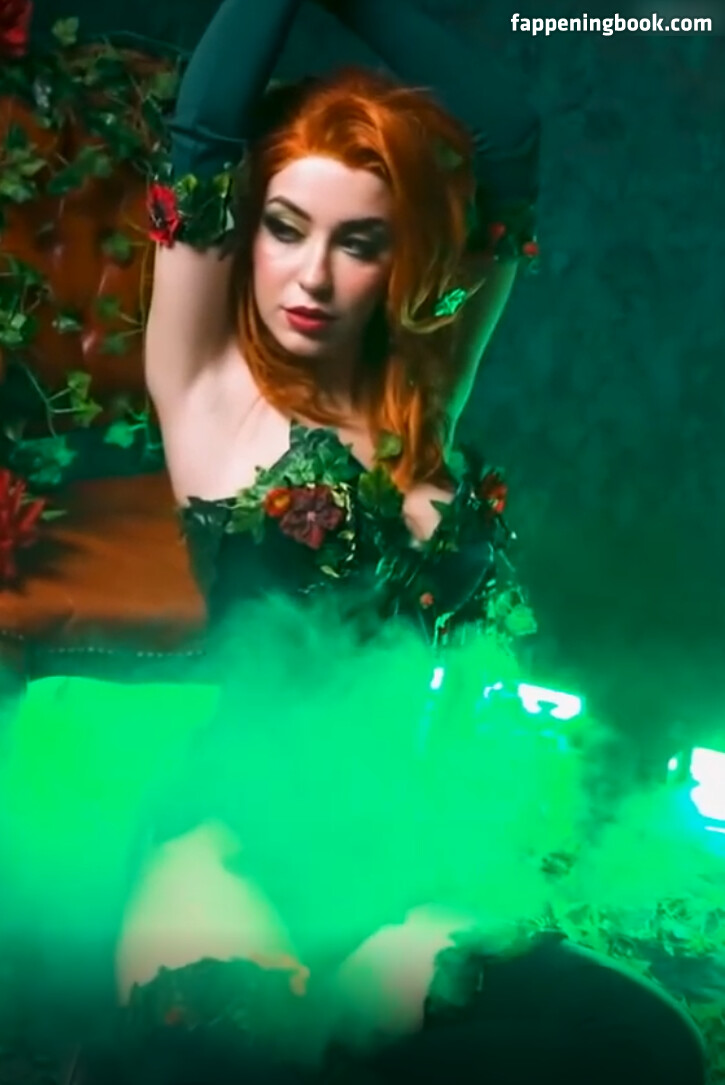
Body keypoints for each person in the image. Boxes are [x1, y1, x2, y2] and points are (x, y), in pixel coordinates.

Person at [77, 1, 707, 1082]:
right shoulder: (209, 392)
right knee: (231, 1058)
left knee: (647, 1048)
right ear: (247, 229)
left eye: (357, 242)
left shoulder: (428, 401)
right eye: (285, 228)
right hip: (232, 850)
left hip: (395, 859)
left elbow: (507, 137)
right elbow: (209, 121)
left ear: (398, 258)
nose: (312, 276)